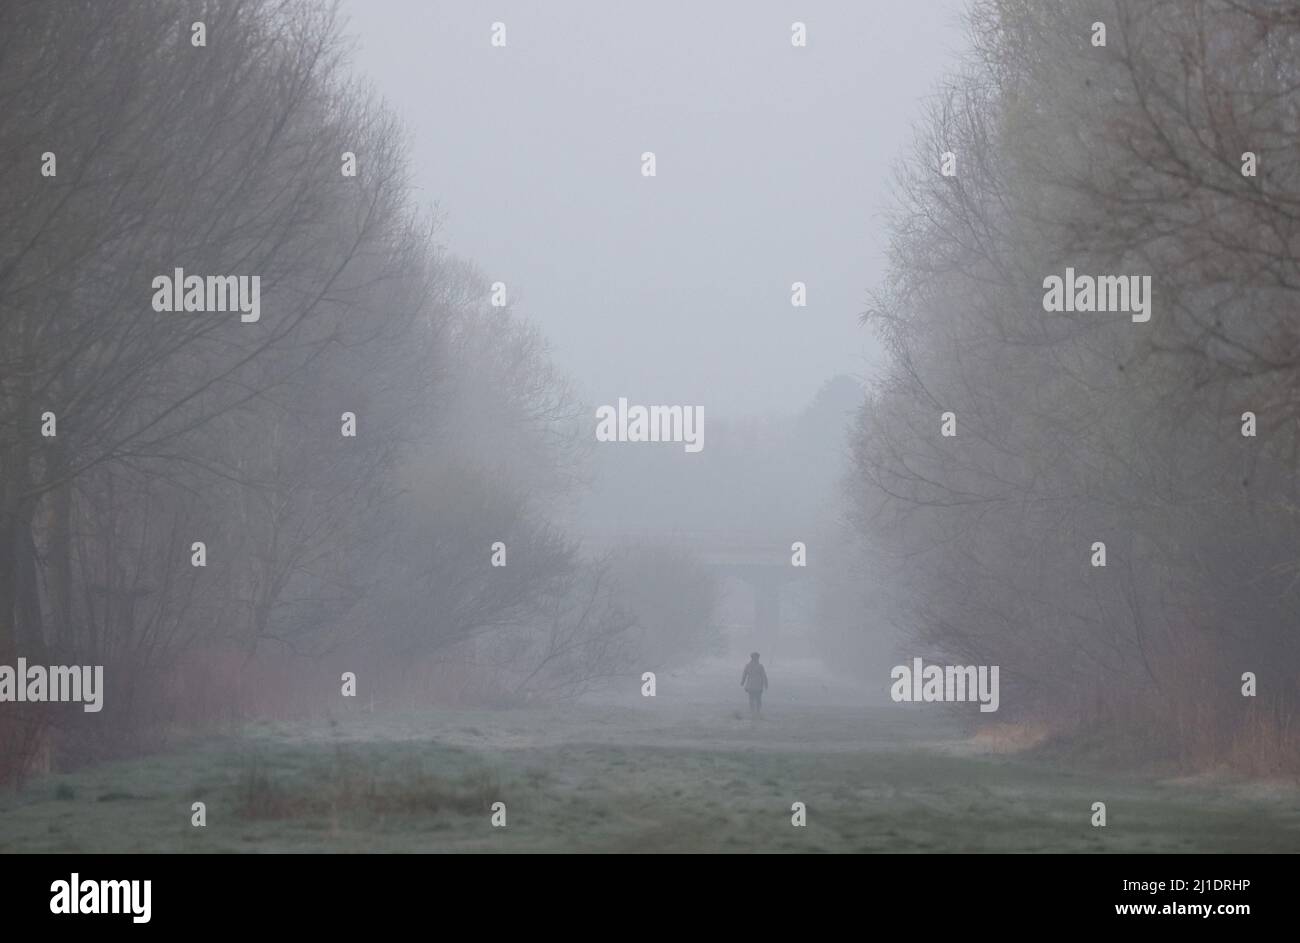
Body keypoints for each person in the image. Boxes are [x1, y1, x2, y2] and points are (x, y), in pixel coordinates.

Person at [741, 652, 768, 717]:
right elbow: (764, 676)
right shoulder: (760, 666)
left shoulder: (748, 666)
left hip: (751, 686)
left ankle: (753, 711)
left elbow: (744, 675)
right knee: (758, 699)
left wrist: (742, 682)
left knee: (751, 699)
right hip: (758, 686)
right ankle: (757, 712)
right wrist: (766, 684)